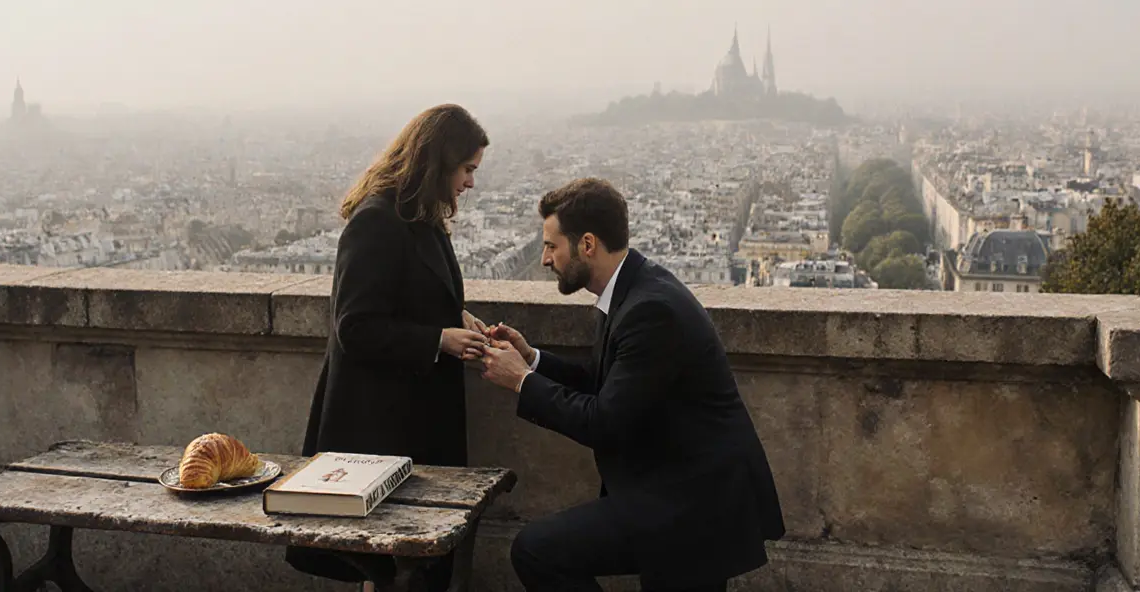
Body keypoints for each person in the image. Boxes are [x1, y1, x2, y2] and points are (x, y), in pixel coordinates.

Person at [479, 177, 785, 592]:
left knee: (538, 549)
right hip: (678, 493)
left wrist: (521, 381)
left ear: (587, 244)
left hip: (692, 507)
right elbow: (605, 382)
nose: (545, 259)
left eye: (552, 246)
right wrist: (532, 357)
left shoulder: (650, 310)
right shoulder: (632, 291)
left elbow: (605, 421)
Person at [285, 103, 493, 591]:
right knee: (391, 566)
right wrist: (439, 338)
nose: (469, 183)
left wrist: (453, 318)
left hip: (409, 416)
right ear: (439, 162)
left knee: (405, 567)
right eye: (467, 169)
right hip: (383, 424)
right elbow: (354, 326)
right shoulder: (377, 220)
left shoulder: (416, 215)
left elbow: (408, 295)